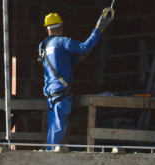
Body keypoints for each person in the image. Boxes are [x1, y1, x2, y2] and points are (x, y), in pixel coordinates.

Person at [39, 11, 112, 150]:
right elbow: (85, 46)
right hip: (61, 91)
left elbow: (59, 63)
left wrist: (79, 57)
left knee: (54, 124)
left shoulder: (42, 46)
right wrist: (98, 29)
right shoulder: (62, 41)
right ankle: (49, 155)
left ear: (47, 28)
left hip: (50, 92)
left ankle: (49, 151)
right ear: (61, 27)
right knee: (59, 126)